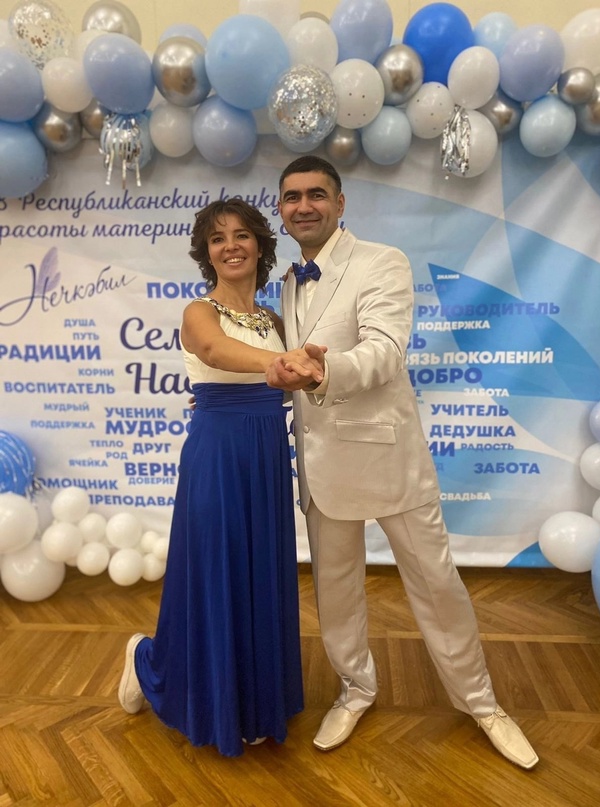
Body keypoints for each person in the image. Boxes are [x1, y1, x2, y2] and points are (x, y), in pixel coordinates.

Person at [265, 155, 539, 770]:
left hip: (390, 458)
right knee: (336, 591)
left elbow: (385, 352)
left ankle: (483, 704)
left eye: (316, 194)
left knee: (437, 585)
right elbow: (288, 368)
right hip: (321, 468)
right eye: (292, 197)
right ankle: (355, 689)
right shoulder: (287, 280)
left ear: (340, 203)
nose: (304, 206)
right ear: (280, 210)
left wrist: (323, 371)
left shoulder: (382, 261)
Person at [118, 199, 324, 757]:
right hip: (217, 455)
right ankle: (147, 661)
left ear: (260, 244)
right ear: (206, 253)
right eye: (217, 238)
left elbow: (290, 380)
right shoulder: (198, 311)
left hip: (265, 454)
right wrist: (275, 366)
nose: (230, 245)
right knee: (214, 573)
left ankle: (253, 703)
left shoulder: (275, 321)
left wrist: (299, 371)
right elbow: (213, 349)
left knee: (259, 573)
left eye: (241, 235)